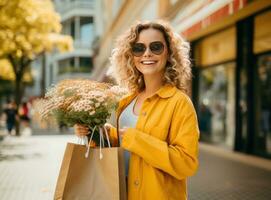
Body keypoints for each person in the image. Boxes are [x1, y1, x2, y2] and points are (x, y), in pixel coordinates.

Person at [75, 20, 199, 200]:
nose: (147, 53)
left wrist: (138, 140)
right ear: (131, 55)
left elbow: (186, 164)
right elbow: (122, 145)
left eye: (156, 47)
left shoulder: (180, 103)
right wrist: (96, 133)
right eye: (139, 48)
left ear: (169, 53)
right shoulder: (127, 100)